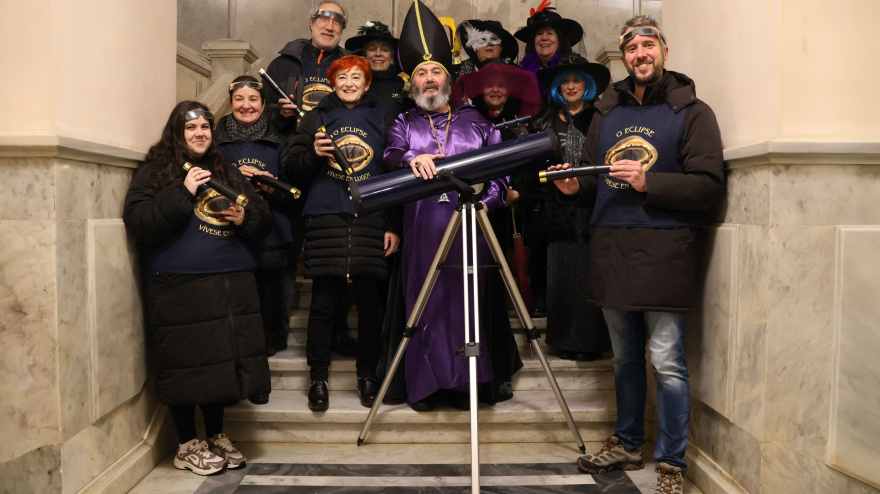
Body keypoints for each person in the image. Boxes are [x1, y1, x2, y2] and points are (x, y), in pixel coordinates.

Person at [550, 16, 724, 494]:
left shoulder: (692, 111)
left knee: (666, 361)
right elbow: (593, 179)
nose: (640, 54)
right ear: (622, 56)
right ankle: (627, 443)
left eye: (649, 45)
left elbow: (709, 186)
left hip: (665, 248)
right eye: (631, 48)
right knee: (625, 358)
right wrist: (573, 185)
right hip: (610, 246)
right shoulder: (606, 111)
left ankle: (671, 464)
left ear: (663, 50)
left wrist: (650, 181)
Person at [123, 101, 272, 475]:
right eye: (191, 128)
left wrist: (245, 216)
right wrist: (182, 190)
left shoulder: (227, 169)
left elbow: (261, 218)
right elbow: (140, 222)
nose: (200, 133)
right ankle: (187, 443)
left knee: (221, 365)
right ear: (177, 132)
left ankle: (217, 434)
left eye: (205, 127)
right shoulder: (155, 171)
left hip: (231, 281)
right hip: (179, 286)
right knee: (187, 364)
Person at [385, 1, 520, 412]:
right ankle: (426, 386)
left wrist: (487, 202)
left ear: (449, 79)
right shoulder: (404, 122)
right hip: (423, 227)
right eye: (422, 73)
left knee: (467, 302)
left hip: (471, 228)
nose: (429, 79)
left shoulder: (477, 121)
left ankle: (467, 385)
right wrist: (412, 158)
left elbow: (501, 172)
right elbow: (391, 153)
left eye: (436, 72)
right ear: (413, 83)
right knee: (427, 303)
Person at [281, 55, 401, 411]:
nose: (349, 83)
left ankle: (367, 375)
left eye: (356, 77)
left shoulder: (384, 116)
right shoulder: (314, 117)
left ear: (367, 83)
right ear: (332, 83)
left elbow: (395, 172)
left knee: (369, 304)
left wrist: (393, 223)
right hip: (325, 217)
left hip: (371, 218)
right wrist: (315, 156)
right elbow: (293, 168)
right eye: (342, 77)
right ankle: (318, 377)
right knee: (322, 305)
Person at [264, 0, 357, 357]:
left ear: (342, 29)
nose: (330, 25)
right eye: (324, 18)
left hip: (330, 172)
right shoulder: (283, 63)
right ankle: (276, 331)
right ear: (312, 22)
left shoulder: (349, 65)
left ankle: (339, 331)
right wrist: (280, 111)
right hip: (291, 166)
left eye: (338, 21)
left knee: (335, 254)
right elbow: (259, 111)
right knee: (285, 252)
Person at [523, 54, 611, 361]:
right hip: (554, 206)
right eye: (565, 81)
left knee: (588, 273)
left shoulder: (601, 117)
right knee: (559, 273)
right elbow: (532, 164)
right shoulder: (544, 120)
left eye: (577, 80)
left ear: (587, 86)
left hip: (592, 203)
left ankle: (588, 342)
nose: (571, 86)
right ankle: (561, 339)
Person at [214, 75, 295, 361]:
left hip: (274, 237)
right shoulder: (213, 142)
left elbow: (296, 195)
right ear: (230, 100)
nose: (246, 106)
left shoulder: (281, 142)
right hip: (227, 237)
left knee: (271, 308)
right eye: (239, 99)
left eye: (253, 100)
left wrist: (272, 188)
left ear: (264, 105)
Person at [344, 20, 411, 122]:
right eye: (372, 49)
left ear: (392, 57)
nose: (378, 54)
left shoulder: (405, 88)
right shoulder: (352, 84)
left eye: (385, 50)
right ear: (365, 56)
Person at [515, 0, 584, 98]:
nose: (544, 38)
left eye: (550, 33)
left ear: (560, 39)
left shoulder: (576, 64)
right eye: (539, 34)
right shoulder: (523, 73)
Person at [453, 19, 519, 79]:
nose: (489, 44)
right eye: (482, 39)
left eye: (494, 39)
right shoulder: (459, 73)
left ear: (501, 47)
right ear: (474, 47)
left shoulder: (516, 73)